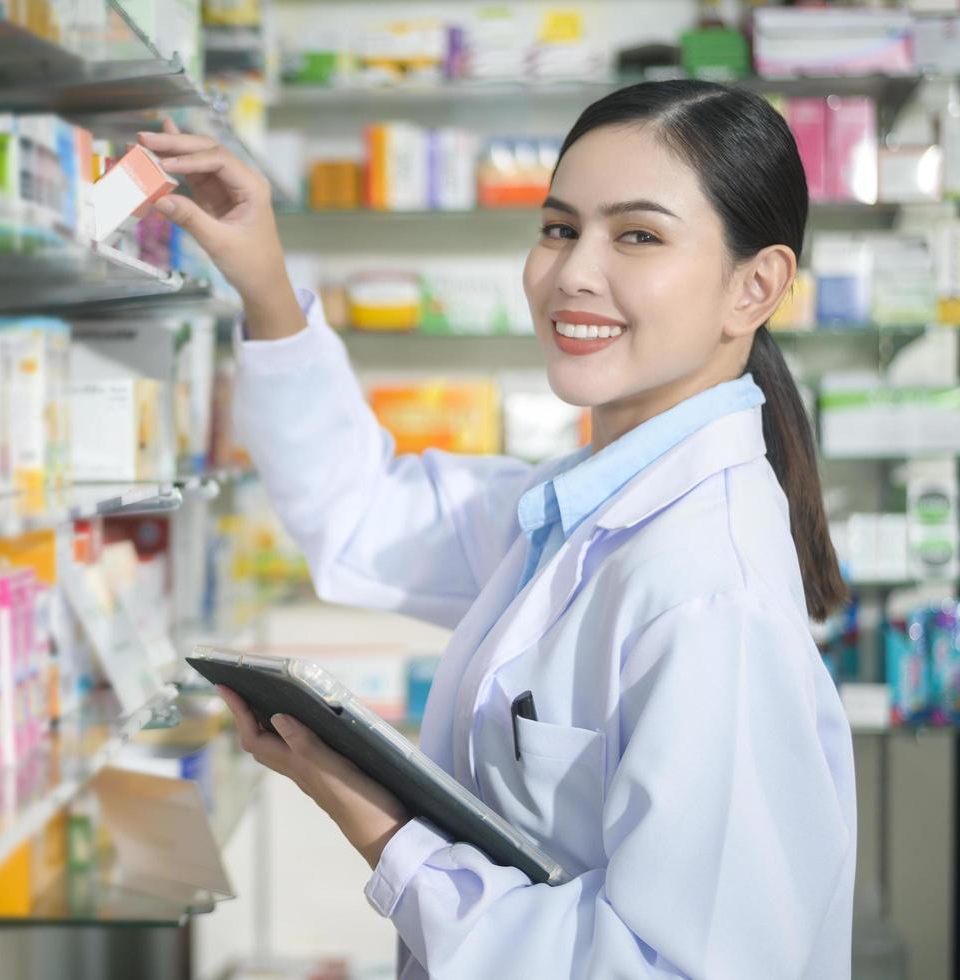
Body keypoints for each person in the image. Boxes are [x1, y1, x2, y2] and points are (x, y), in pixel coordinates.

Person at [140, 80, 857, 978]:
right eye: (559, 227)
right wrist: (266, 283)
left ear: (755, 287)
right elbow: (361, 514)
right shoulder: (578, 511)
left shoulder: (710, 594)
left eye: (636, 235)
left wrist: (382, 826)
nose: (572, 272)